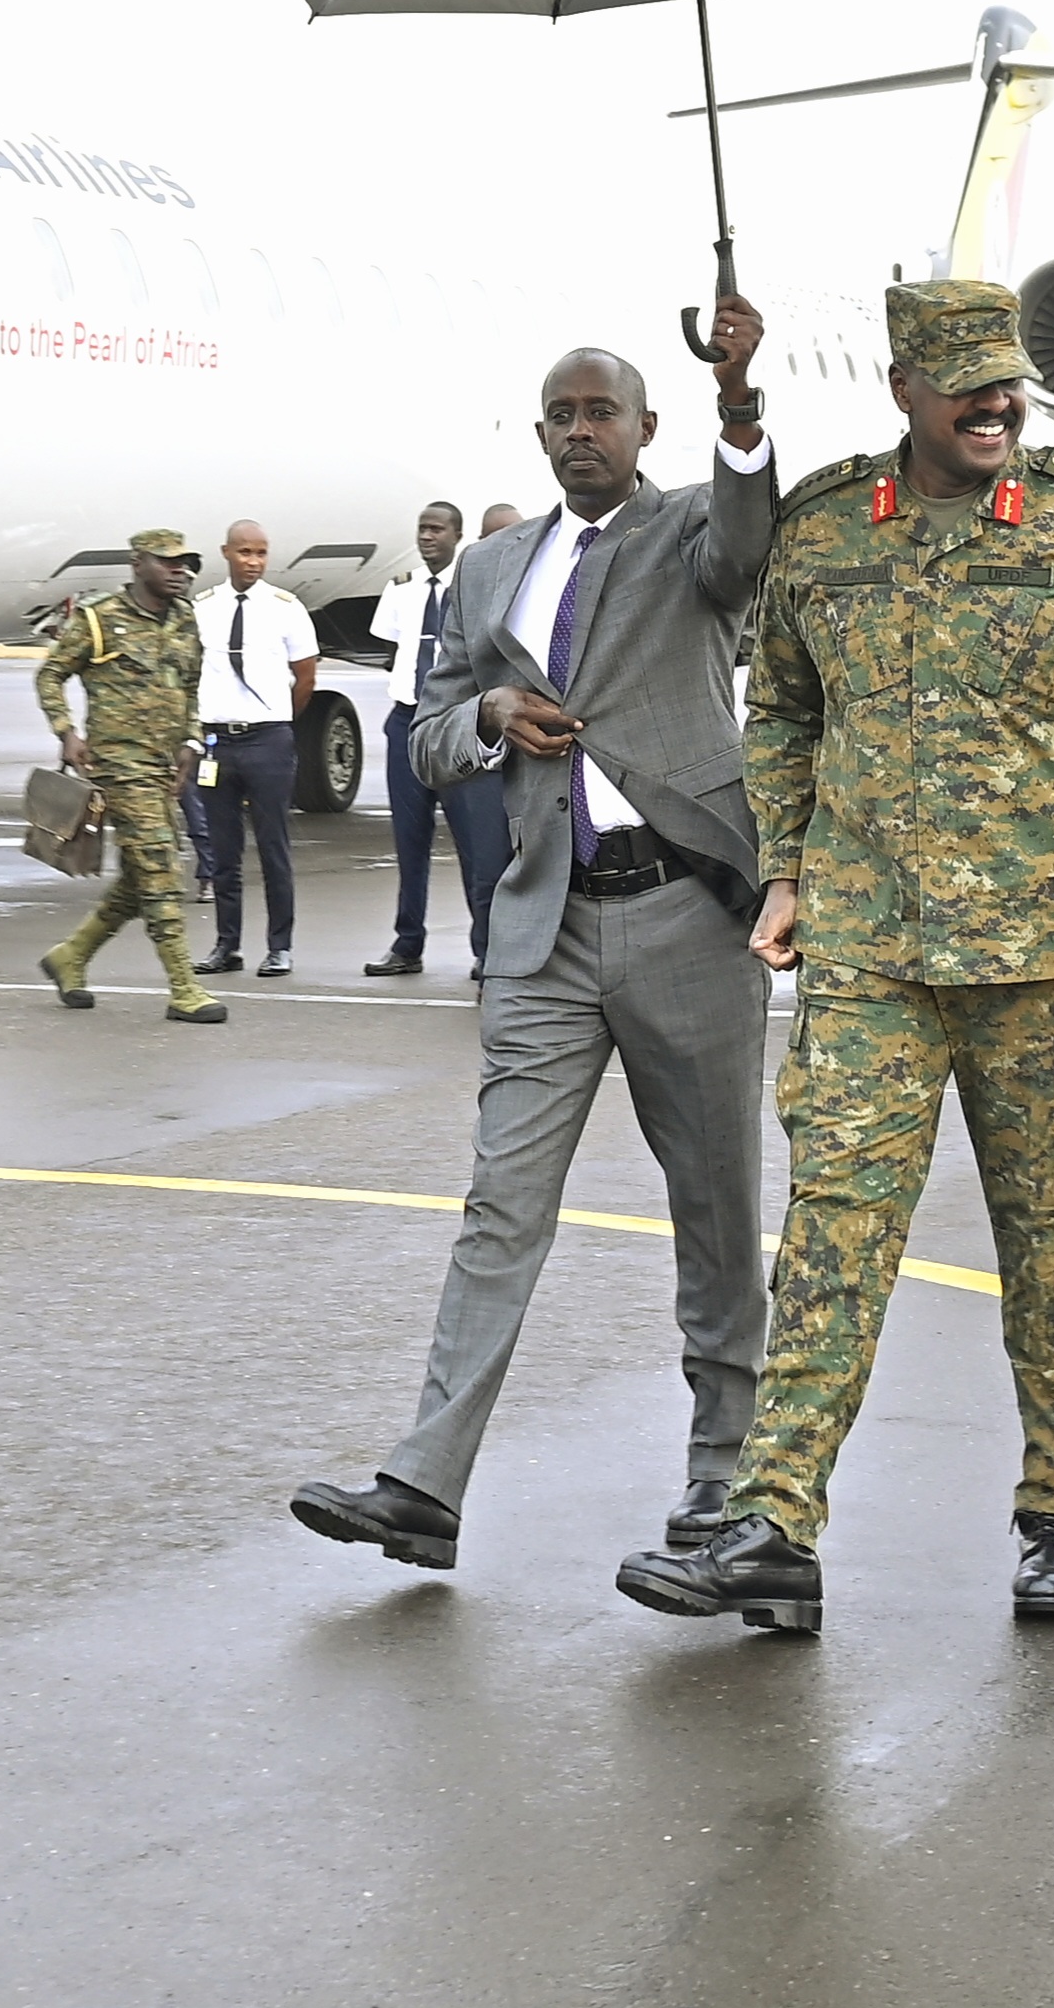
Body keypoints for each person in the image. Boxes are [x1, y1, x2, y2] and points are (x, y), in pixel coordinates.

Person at [613, 278, 1054, 1634]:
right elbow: (779, 711)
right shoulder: (825, 528)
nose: (997, 403)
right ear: (905, 394)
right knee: (831, 1235)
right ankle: (773, 1521)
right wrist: (784, 864)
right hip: (869, 952)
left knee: (1048, 1245)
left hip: (1045, 958)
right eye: (966, 386)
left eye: (1008, 381)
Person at [291, 304, 779, 1575]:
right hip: (545, 924)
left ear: (643, 426)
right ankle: (424, 1482)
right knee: (497, 1207)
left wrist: (739, 400)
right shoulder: (494, 573)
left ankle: (726, 1483)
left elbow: (746, 539)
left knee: (716, 1212)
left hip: (686, 912)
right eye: (560, 415)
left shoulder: (688, 535)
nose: (579, 431)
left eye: (600, 411)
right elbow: (429, 735)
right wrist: (494, 710)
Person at [33, 530, 226, 1024]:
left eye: (186, 563)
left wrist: (191, 742)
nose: (180, 571)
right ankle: (184, 987)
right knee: (161, 869)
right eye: (168, 563)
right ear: (138, 564)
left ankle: (71, 956)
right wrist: (67, 734)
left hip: (165, 767)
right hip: (117, 766)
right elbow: (50, 674)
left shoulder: (185, 619)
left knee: (142, 876)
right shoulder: (99, 619)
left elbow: (189, 688)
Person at [364, 502, 510, 982]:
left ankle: (486, 951)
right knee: (409, 844)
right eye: (422, 529)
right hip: (408, 721)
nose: (428, 537)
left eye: (437, 529)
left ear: (458, 535)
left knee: (478, 848)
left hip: (460, 725)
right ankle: (407, 943)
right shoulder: (402, 588)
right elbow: (393, 651)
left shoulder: (476, 584)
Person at [190, 521, 320, 979]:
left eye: (261, 553)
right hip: (219, 741)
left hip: (268, 740)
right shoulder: (203, 607)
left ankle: (279, 946)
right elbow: (191, 674)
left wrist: (280, 724)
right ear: (226, 553)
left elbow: (305, 676)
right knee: (224, 851)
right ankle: (227, 944)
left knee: (273, 848)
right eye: (244, 552)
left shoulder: (286, 608)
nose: (253, 561)